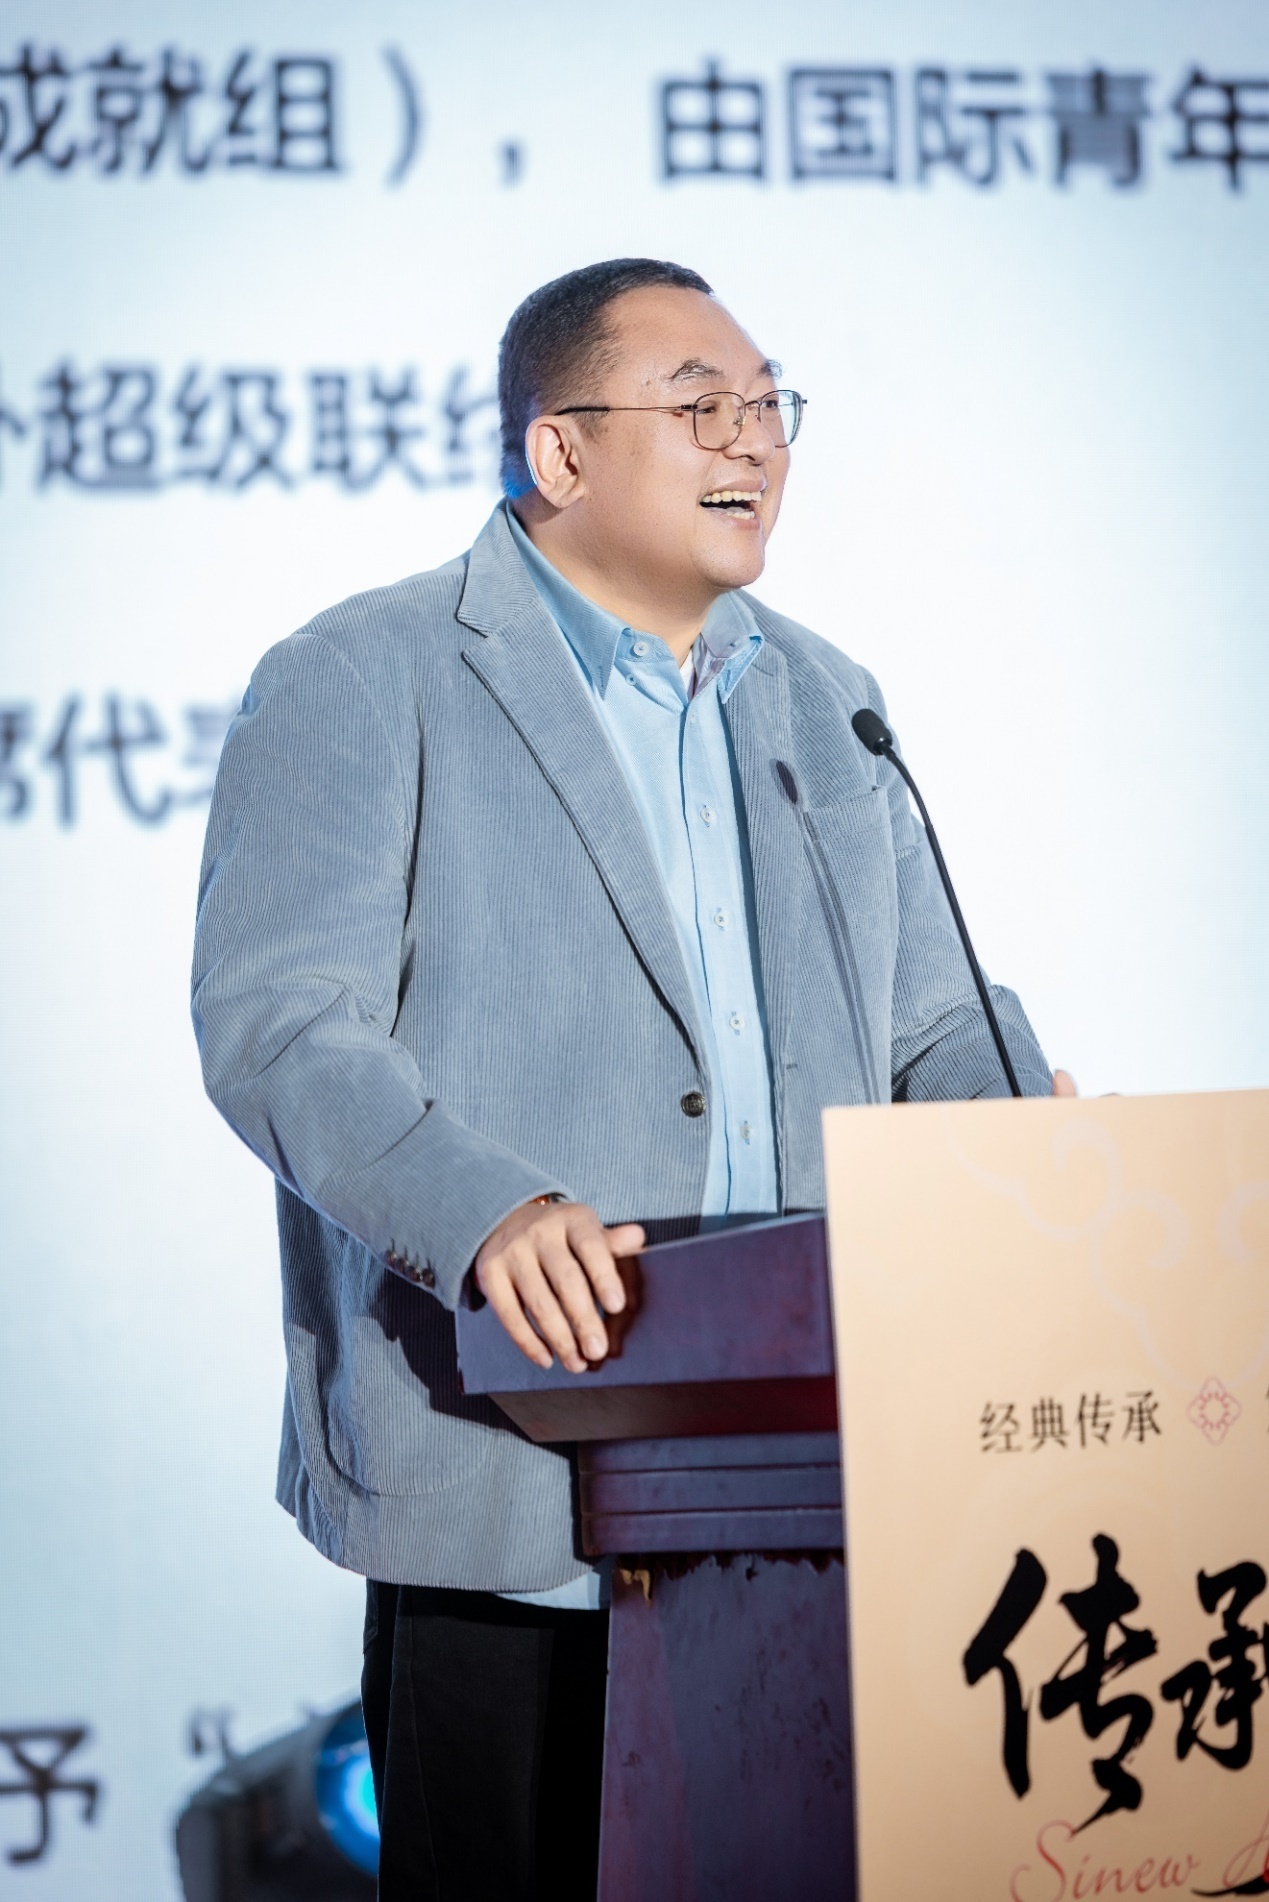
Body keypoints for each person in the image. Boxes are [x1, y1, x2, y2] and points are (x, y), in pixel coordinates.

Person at [191, 257, 1065, 1900]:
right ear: (562, 451)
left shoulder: (826, 695)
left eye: (767, 404)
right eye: (700, 404)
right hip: (514, 1472)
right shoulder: (366, 672)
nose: (753, 439)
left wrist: (1032, 1133)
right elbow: (280, 1023)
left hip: (809, 1486)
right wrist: (484, 1211)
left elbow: (933, 1028)